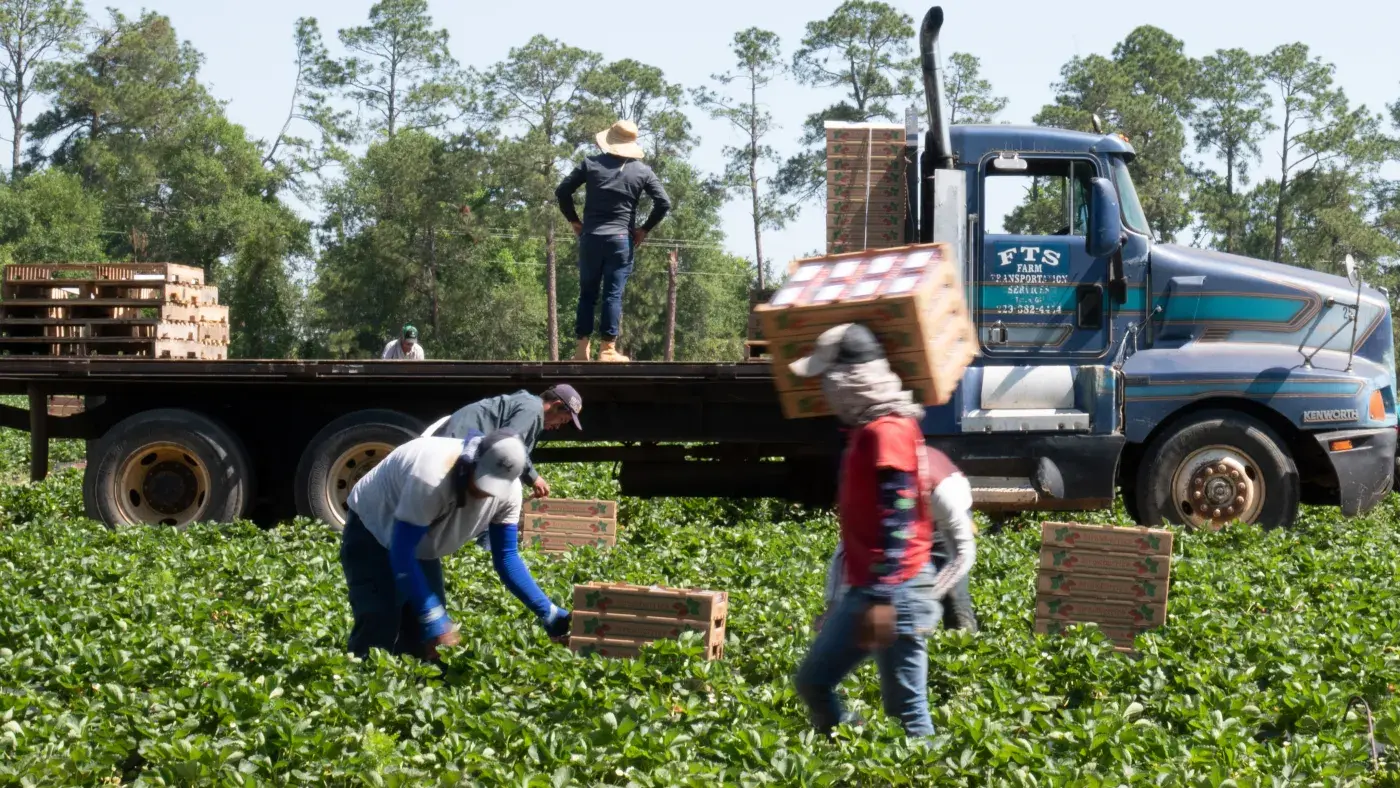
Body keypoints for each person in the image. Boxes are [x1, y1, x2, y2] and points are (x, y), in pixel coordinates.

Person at [789, 323, 976, 739]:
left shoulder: (885, 430)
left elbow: (901, 513)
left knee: (908, 712)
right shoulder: (865, 429)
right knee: (813, 682)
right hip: (869, 590)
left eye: (829, 378)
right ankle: (852, 743)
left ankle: (921, 773)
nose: (825, 389)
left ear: (849, 379)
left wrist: (885, 596)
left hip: (896, 593)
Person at [339, 429, 571, 661]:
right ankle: (363, 674)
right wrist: (434, 618)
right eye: (482, 481)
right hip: (374, 524)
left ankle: (411, 684)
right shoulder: (432, 476)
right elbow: (402, 553)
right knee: (380, 620)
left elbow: (507, 557)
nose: (484, 492)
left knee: (426, 641)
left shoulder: (509, 492)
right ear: (471, 461)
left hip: (421, 537)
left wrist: (548, 612)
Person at [555, 119, 671, 363]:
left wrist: (575, 221)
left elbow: (562, 191)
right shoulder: (642, 171)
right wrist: (644, 229)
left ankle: (581, 351)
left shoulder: (591, 164)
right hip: (620, 240)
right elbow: (664, 203)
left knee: (587, 294)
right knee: (612, 295)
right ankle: (607, 350)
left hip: (591, 238)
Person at [425, 385, 583, 500]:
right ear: (555, 406)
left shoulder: (529, 403)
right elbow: (512, 444)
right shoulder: (533, 410)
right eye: (562, 420)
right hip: (455, 444)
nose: (558, 426)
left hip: (459, 444)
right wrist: (534, 478)